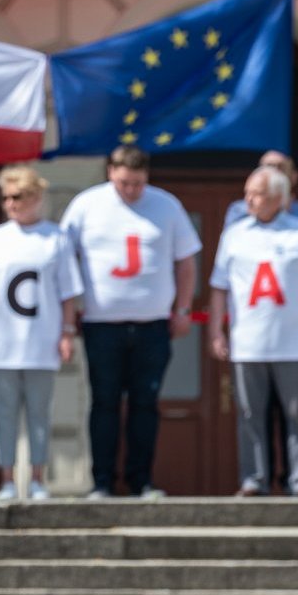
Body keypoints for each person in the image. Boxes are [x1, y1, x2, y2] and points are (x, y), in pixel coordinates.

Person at [61, 145, 200, 499]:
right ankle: (102, 481)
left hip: (152, 325)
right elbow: (63, 260)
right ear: (111, 173)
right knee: (104, 402)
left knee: (145, 402)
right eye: (124, 183)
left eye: (138, 183)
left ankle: (141, 480)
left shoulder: (166, 205)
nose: (131, 191)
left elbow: (186, 262)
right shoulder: (86, 205)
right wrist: (70, 310)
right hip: (101, 324)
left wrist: (182, 309)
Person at [208, 164, 298, 496]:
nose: (248, 200)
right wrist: (216, 331)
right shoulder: (234, 235)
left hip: (292, 343)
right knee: (250, 415)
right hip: (248, 343)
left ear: (278, 198)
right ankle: (254, 480)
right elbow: (219, 288)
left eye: (258, 194)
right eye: (247, 192)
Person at [0, 165, 82, 501]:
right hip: (0, 341)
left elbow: (67, 293)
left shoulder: (56, 237)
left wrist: (67, 333)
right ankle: (6, 478)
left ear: (35, 197)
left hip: (40, 340)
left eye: (18, 196)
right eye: (6, 198)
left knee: (38, 412)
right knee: (3, 412)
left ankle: (37, 477)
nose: (11, 204)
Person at [223, 150, 298, 254]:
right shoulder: (239, 210)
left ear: (294, 176)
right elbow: (227, 251)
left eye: (280, 167)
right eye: (267, 167)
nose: (273, 172)